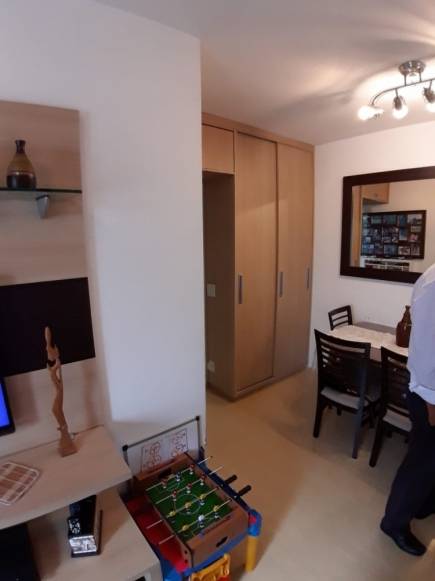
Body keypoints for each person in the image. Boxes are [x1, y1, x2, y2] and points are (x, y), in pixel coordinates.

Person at [381, 263, 435, 556]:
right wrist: (431, 401)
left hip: (428, 390)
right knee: (420, 462)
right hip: (429, 394)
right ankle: (394, 523)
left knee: (429, 462)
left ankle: (424, 504)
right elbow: (428, 350)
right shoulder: (433, 283)